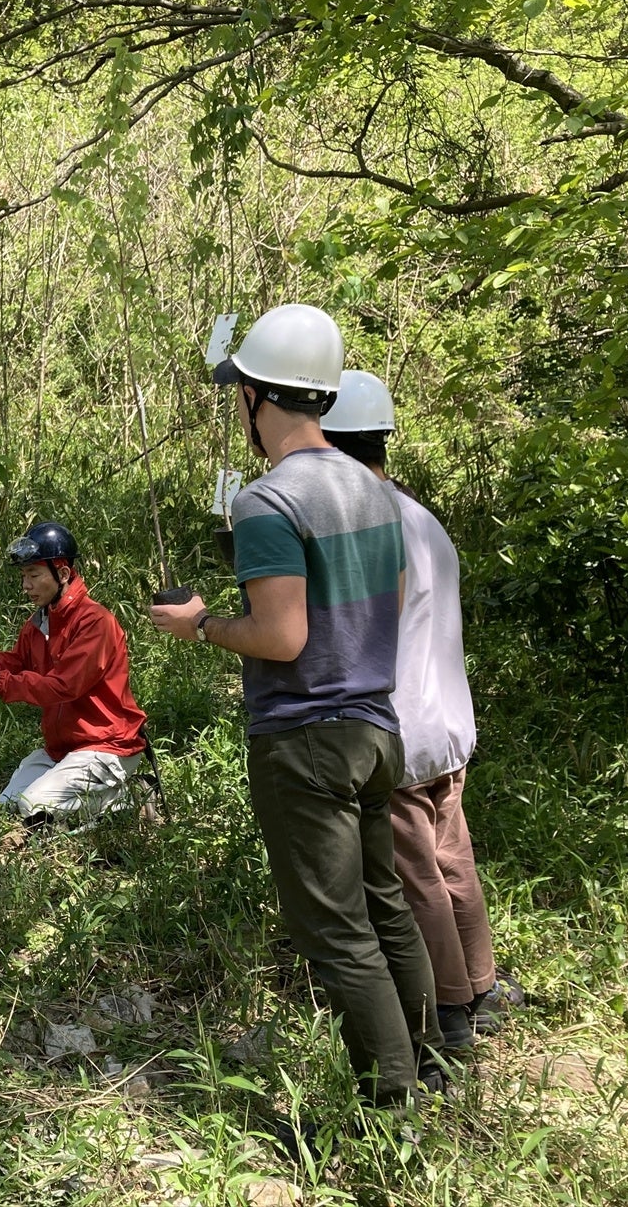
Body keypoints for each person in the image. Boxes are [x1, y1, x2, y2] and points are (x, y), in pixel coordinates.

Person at [149, 303, 444, 1107]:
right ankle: (429, 1064)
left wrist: (200, 623)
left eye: (235, 391)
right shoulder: (374, 490)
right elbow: (384, 603)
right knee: (385, 909)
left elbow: (280, 637)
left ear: (254, 396)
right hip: (377, 730)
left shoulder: (267, 502)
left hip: (304, 738)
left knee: (337, 932)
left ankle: (392, 1107)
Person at [322, 370, 521, 1048]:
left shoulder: (365, 521)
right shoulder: (418, 514)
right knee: (451, 860)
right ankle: (483, 984)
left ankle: (450, 1012)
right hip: (447, 724)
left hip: (400, 729)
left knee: (415, 879)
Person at [0, 523, 150, 825]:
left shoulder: (95, 622)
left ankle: (133, 796)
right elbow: (15, 663)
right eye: (23, 576)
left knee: (36, 808)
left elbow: (64, 686)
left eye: (34, 575)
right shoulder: (40, 622)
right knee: (8, 806)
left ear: (63, 574)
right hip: (63, 749)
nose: (26, 585)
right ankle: (101, 799)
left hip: (107, 746)